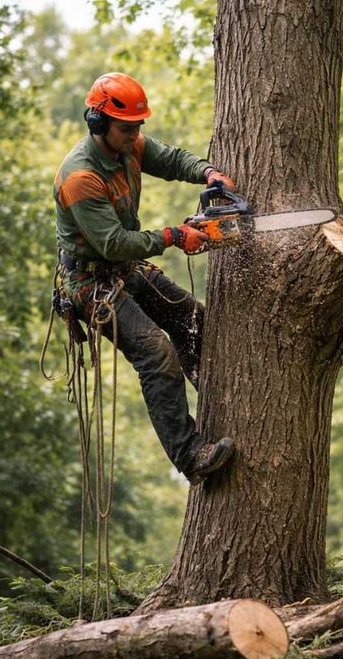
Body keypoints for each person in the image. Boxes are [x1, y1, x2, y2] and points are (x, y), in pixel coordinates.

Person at [53, 72, 235, 484]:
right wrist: (173, 236)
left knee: (192, 318)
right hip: (90, 283)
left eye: (138, 126)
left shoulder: (130, 145)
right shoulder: (80, 176)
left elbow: (169, 159)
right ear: (98, 123)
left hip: (123, 271)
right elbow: (115, 242)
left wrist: (208, 173)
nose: (134, 134)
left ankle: (216, 395)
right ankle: (190, 455)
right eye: (125, 127)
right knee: (155, 353)